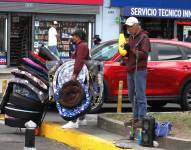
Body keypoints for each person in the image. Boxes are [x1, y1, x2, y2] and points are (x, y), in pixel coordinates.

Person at [124, 17, 151, 134]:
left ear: (136, 25)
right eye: (127, 27)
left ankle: (141, 118)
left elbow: (144, 55)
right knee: (131, 95)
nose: (128, 29)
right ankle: (136, 117)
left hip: (139, 70)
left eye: (130, 26)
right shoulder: (131, 37)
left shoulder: (144, 38)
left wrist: (132, 49)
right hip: (131, 69)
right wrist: (126, 53)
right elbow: (131, 54)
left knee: (140, 95)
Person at [62, 29, 90, 128]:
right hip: (81, 74)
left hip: (79, 74)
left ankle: (73, 121)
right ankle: (82, 119)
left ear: (78, 36)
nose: (72, 37)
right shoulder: (82, 46)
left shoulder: (81, 46)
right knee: (80, 96)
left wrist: (74, 74)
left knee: (74, 97)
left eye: (73, 36)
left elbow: (79, 61)